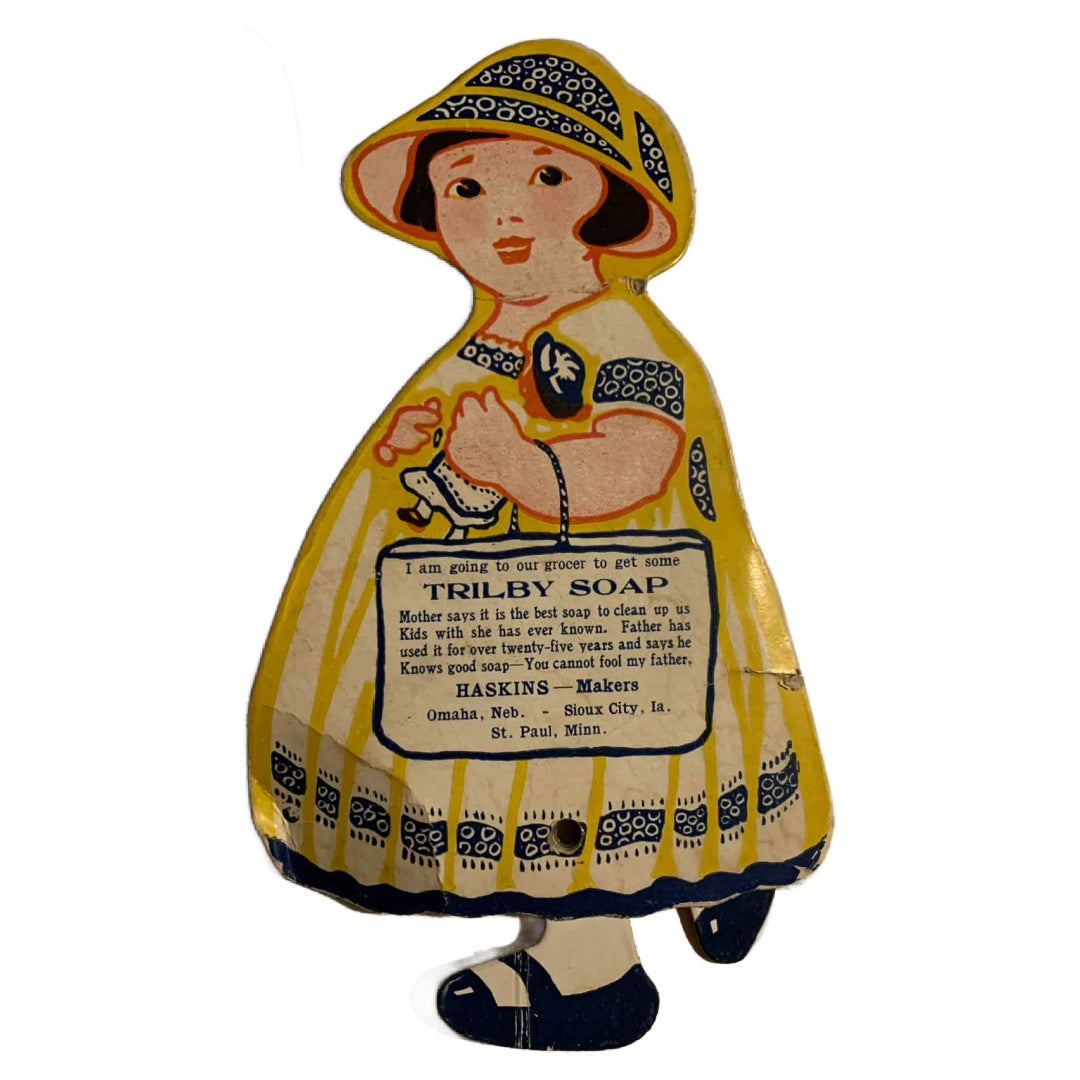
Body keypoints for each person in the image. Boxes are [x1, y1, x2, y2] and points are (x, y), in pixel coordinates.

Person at [249, 40, 832, 1051]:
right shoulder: (493, 338)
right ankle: (721, 873)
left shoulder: (616, 335)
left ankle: (589, 970)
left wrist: (521, 466)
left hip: (601, 611)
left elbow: (634, 462)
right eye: (466, 188)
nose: (503, 215)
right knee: (520, 751)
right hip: (478, 611)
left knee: (567, 764)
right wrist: (418, 439)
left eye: (547, 179)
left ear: (605, 198)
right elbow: (458, 420)